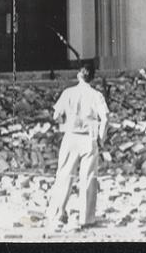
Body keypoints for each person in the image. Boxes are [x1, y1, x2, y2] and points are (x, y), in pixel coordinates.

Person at [46, 60, 109, 230]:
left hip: (71, 136)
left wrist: (63, 122)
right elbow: (106, 118)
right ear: (93, 78)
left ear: (78, 75)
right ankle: (86, 218)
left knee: (64, 175)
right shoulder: (97, 95)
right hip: (89, 138)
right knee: (88, 178)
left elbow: (56, 115)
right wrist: (101, 138)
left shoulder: (68, 93)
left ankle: (58, 214)